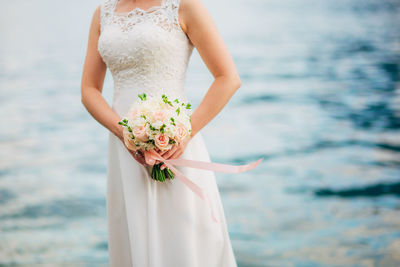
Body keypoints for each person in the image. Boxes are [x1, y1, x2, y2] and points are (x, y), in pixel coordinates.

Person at [80, 0, 241, 266]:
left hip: (175, 146)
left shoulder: (185, 6)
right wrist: (124, 133)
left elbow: (228, 77)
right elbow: (89, 89)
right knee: (134, 235)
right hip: (124, 150)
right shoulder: (102, 14)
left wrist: (185, 132)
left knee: (184, 238)